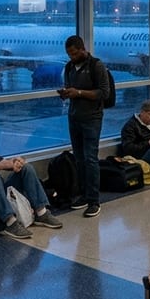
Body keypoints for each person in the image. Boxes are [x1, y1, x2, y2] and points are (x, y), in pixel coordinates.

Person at [59, 35, 112, 218]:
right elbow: (71, 89)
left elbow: (104, 93)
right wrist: (67, 93)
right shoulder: (69, 68)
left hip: (92, 118)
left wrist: (79, 92)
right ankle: (83, 194)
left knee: (90, 159)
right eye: (69, 54)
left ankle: (94, 200)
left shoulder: (96, 66)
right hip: (74, 117)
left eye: (74, 53)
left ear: (82, 49)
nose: (71, 57)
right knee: (80, 159)